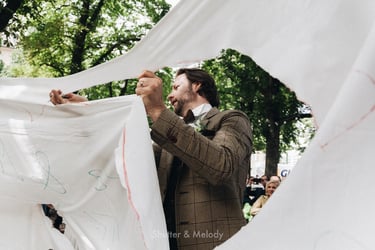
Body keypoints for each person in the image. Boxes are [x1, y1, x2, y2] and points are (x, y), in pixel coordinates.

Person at [49, 68, 253, 250]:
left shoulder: (232, 119)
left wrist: (157, 110)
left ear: (197, 85)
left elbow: (221, 166)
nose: (170, 95)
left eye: (176, 86)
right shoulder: (164, 137)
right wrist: (89, 112)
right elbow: (127, 157)